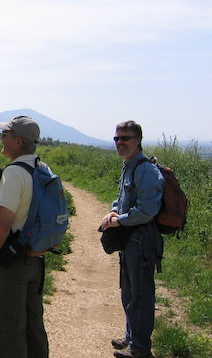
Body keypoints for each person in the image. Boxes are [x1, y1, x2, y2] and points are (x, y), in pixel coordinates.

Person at [0, 115, 50, 358]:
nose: (1, 138)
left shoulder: (14, 173)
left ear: (18, 142)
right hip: (36, 259)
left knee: (8, 328)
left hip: (11, 263)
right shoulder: (42, 168)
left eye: (6, 135)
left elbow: (3, 224)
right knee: (34, 325)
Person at [100, 121, 164, 358]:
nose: (120, 143)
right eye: (117, 138)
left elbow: (148, 210)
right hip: (131, 238)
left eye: (125, 138)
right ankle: (131, 337)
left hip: (142, 239)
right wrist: (113, 211)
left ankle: (140, 349)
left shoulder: (145, 170)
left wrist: (120, 220)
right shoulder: (129, 165)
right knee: (128, 291)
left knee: (140, 294)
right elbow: (123, 199)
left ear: (138, 140)